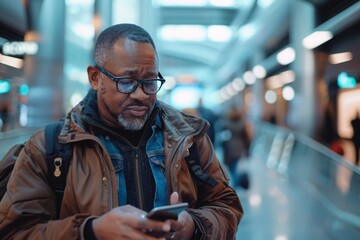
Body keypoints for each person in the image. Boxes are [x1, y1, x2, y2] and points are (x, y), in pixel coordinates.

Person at [0, 24, 243, 239]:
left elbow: (226, 207)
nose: (141, 95)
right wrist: (90, 231)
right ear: (95, 78)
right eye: (126, 82)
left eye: (150, 82)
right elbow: (15, 231)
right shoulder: (49, 147)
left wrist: (193, 226)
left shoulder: (188, 138)